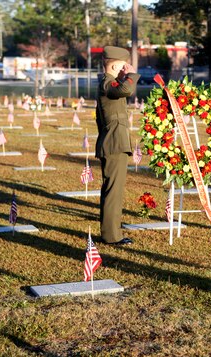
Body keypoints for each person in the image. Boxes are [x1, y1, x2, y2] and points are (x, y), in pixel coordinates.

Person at [95, 46, 140, 245]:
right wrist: (131, 74)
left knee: (113, 190)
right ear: (114, 64)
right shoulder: (107, 83)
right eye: (122, 64)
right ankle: (112, 236)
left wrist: (125, 76)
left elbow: (123, 89)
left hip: (114, 142)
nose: (125, 68)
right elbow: (127, 89)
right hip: (114, 143)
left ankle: (111, 231)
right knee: (113, 191)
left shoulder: (110, 83)